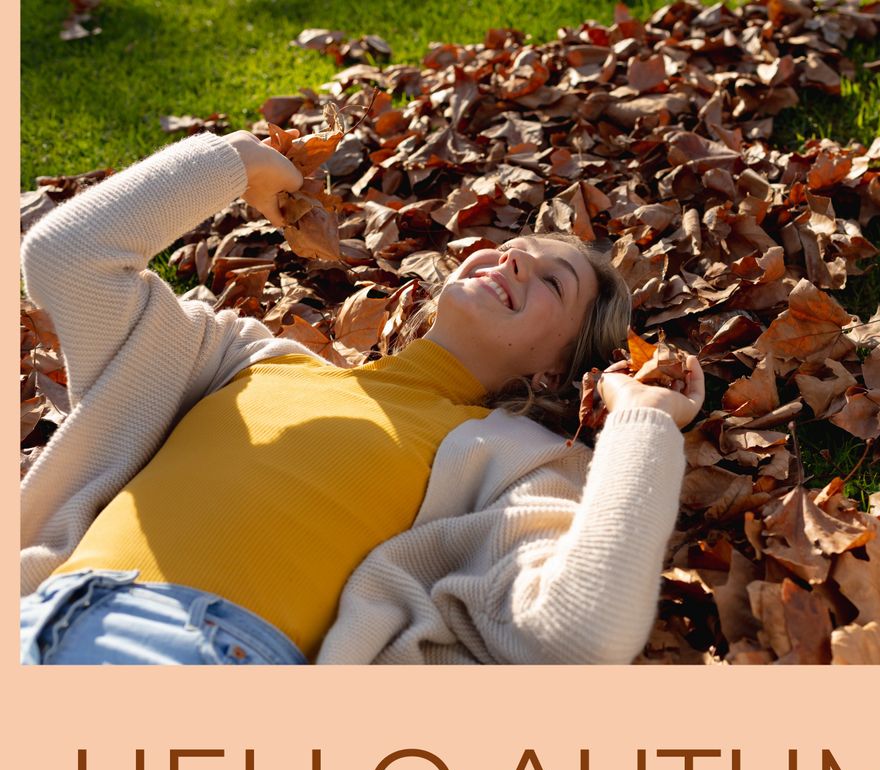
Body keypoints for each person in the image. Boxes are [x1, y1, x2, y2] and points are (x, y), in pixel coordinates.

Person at [19, 130, 704, 665]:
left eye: (554, 283)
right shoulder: (242, 357)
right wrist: (238, 162)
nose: (515, 259)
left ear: (558, 372)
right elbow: (65, 258)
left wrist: (642, 425)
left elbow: (580, 633)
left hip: (187, 649)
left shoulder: (513, 460)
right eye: (510, 248)